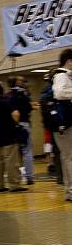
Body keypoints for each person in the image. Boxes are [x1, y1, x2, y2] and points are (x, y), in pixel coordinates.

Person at [0, 82, 27, 193]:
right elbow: (16, 114)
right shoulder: (5, 101)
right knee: (11, 161)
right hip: (9, 134)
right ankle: (14, 185)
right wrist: (16, 123)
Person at [52, 49, 72, 201]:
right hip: (64, 125)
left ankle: (69, 191)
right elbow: (59, 93)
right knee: (69, 158)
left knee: (68, 157)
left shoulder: (65, 76)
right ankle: (70, 191)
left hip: (67, 123)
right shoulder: (61, 75)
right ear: (69, 61)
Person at [7, 76, 35, 184]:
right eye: (21, 81)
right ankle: (29, 177)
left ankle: (16, 178)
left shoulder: (7, 96)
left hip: (11, 126)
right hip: (22, 124)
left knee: (14, 153)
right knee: (27, 151)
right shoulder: (22, 95)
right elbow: (28, 108)